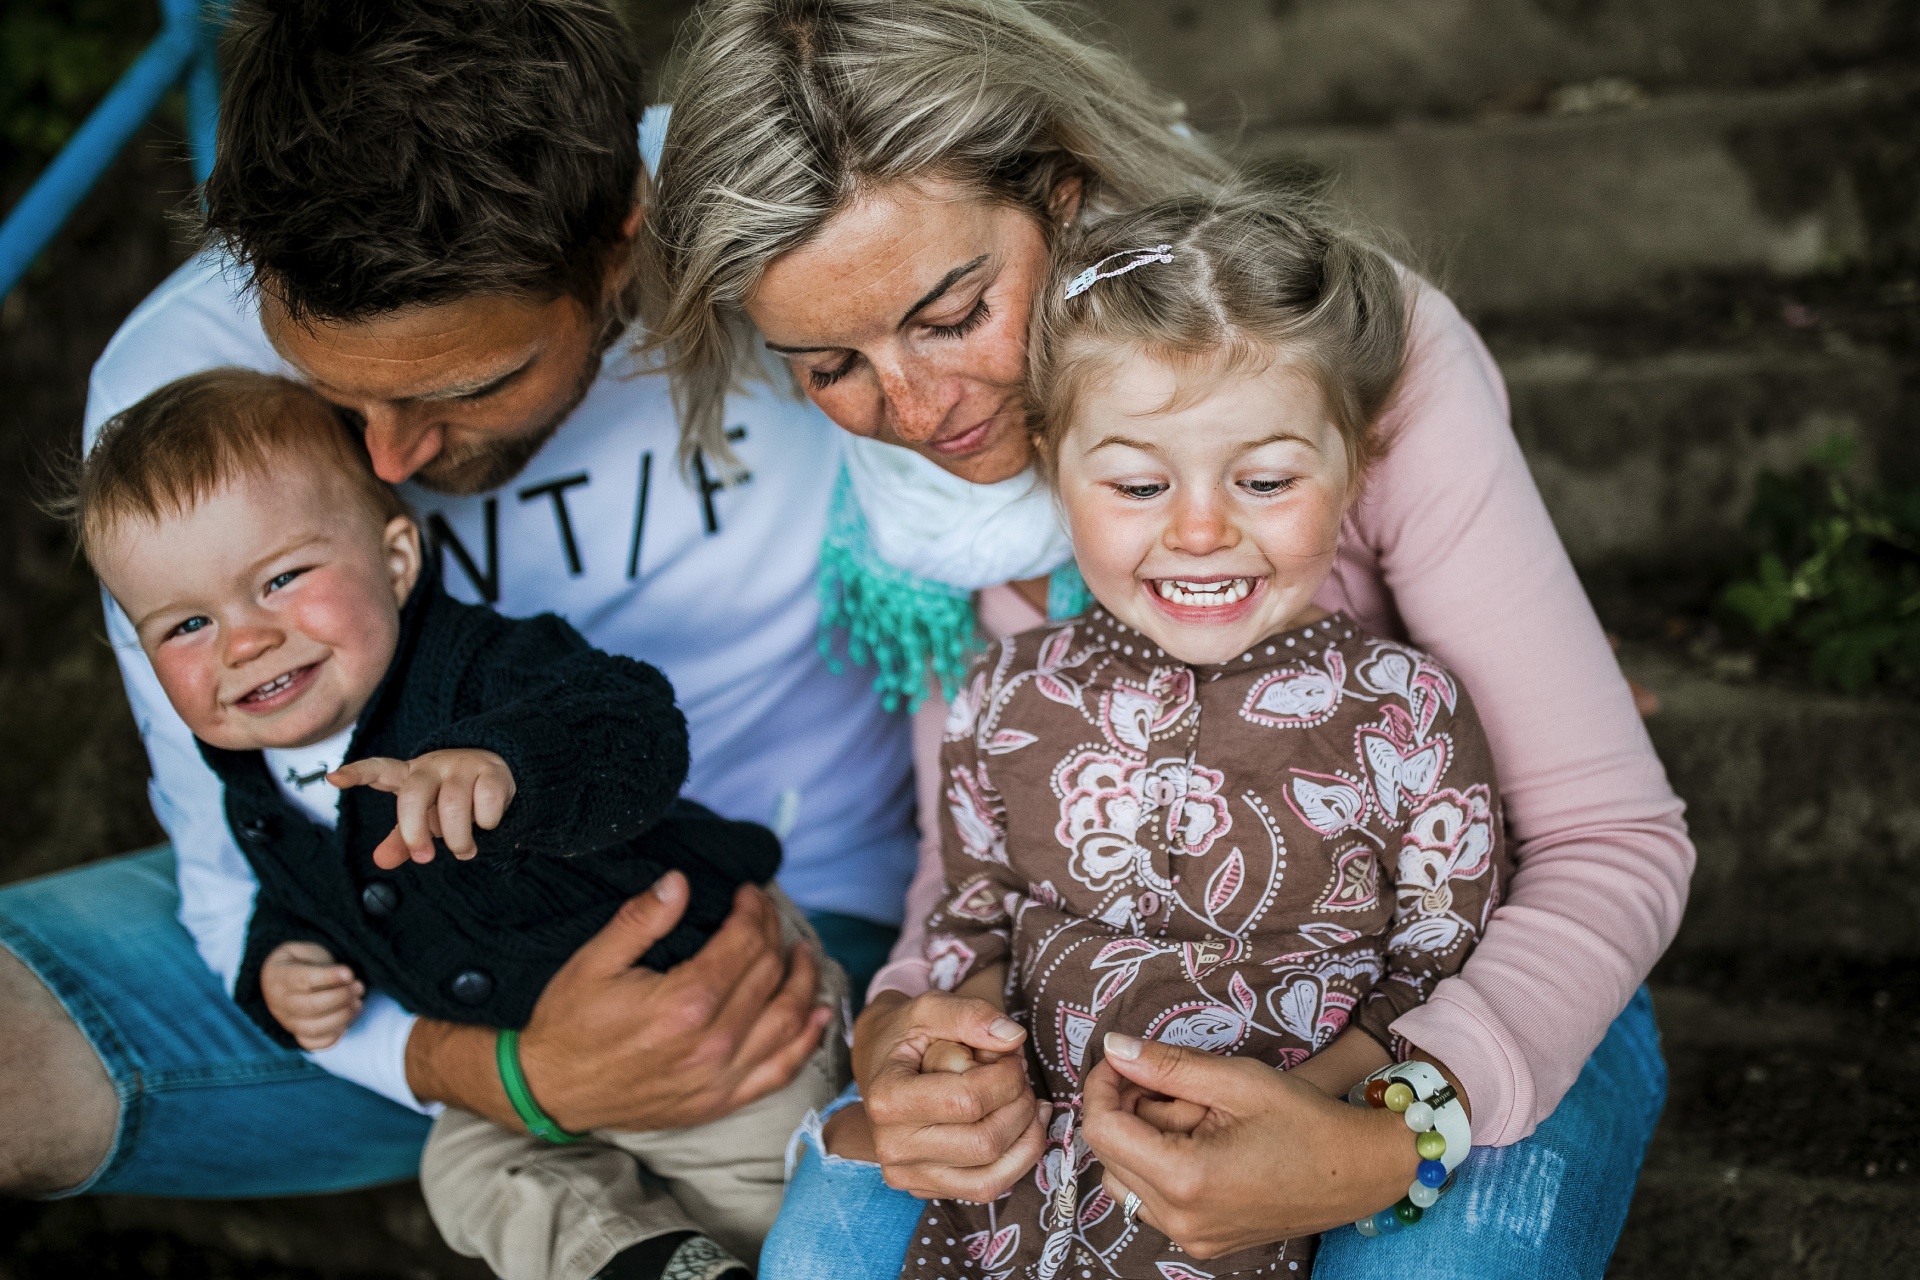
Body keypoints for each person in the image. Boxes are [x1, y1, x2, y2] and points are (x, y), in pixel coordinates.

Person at [644, 2, 1688, 1276]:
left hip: (1465, 992)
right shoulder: (910, 517)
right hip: (1084, 1021)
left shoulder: (1343, 354)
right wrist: (912, 1032)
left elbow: (1607, 840)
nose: (913, 411)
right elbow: (971, 870)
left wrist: (1386, 1131)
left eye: (954, 310)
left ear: (1064, 194)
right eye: (829, 365)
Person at [0, 0, 902, 1229]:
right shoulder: (172, 407)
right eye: (328, 389)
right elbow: (227, 861)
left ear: (617, 240)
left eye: (472, 386)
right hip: (407, 956)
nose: (389, 454)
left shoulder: (776, 219)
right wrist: (507, 1073)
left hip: (779, 912)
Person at [66, 368, 846, 1279]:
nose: (244, 640)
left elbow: (636, 729)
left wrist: (508, 766)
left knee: (779, 1204)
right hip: (525, 1071)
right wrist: (278, 966)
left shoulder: (483, 673)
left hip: (714, 1005)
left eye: (280, 579)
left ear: (397, 561)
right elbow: (307, 897)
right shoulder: (251, 773)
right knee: (469, 1173)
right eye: (186, 624)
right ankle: (658, 1264)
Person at [884, 192, 1511, 1278]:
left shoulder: (1408, 712)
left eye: (1265, 480)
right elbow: (971, 915)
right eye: (1137, 482)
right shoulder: (1002, 695)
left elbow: (1436, 960)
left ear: (1355, 465)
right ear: (1053, 464)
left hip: (1290, 1185)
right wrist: (946, 1048)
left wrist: (1308, 1116)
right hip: (1026, 1201)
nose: (1203, 527)